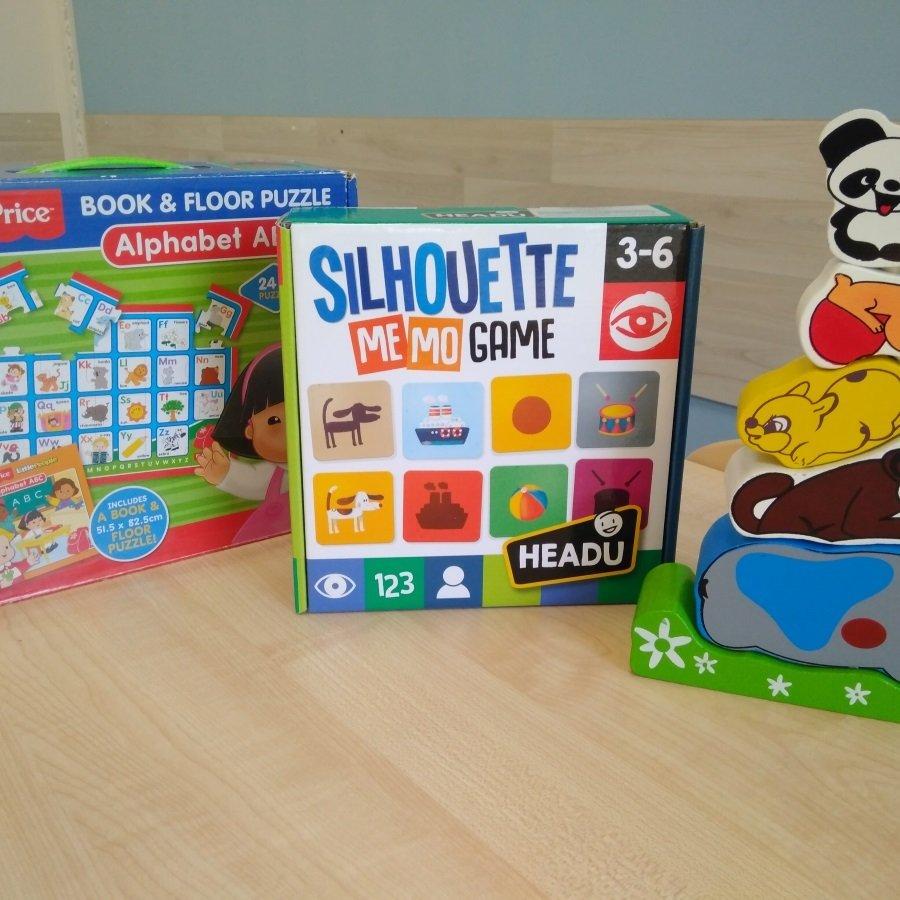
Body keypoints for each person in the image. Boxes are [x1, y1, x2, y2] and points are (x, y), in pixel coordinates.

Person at [194, 344, 288, 544]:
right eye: (274, 421)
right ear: (250, 430)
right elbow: (254, 482)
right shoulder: (277, 474)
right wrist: (226, 474)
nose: (290, 430)